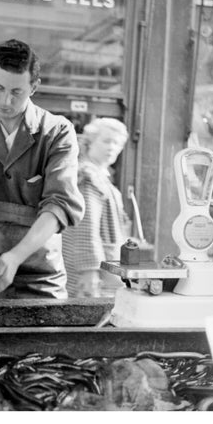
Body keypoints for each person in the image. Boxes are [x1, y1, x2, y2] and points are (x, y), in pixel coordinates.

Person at [0, 39, 84, 299]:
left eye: (16, 92)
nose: (5, 100)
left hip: (39, 273)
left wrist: (17, 256)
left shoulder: (57, 131)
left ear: (34, 87)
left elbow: (59, 204)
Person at [62, 117, 131, 298]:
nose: (112, 148)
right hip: (92, 272)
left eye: (117, 144)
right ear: (90, 142)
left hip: (103, 268)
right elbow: (86, 227)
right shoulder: (88, 176)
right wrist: (89, 271)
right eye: (106, 141)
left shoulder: (99, 175)